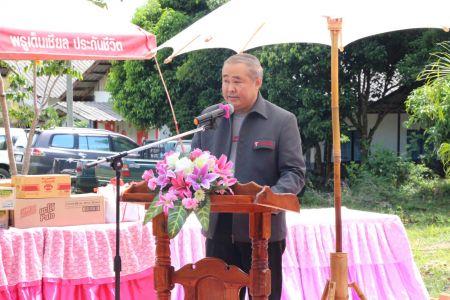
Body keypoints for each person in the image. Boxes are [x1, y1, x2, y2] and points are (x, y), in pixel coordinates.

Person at [191, 53, 305, 300]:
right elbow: (193, 167)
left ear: (257, 82)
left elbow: (294, 173)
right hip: (218, 227)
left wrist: (269, 199)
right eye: (225, 80)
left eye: (238, 81)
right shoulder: (211, 118)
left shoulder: (282, 121)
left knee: (263, 295)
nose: (230, 88)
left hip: (262, 231)